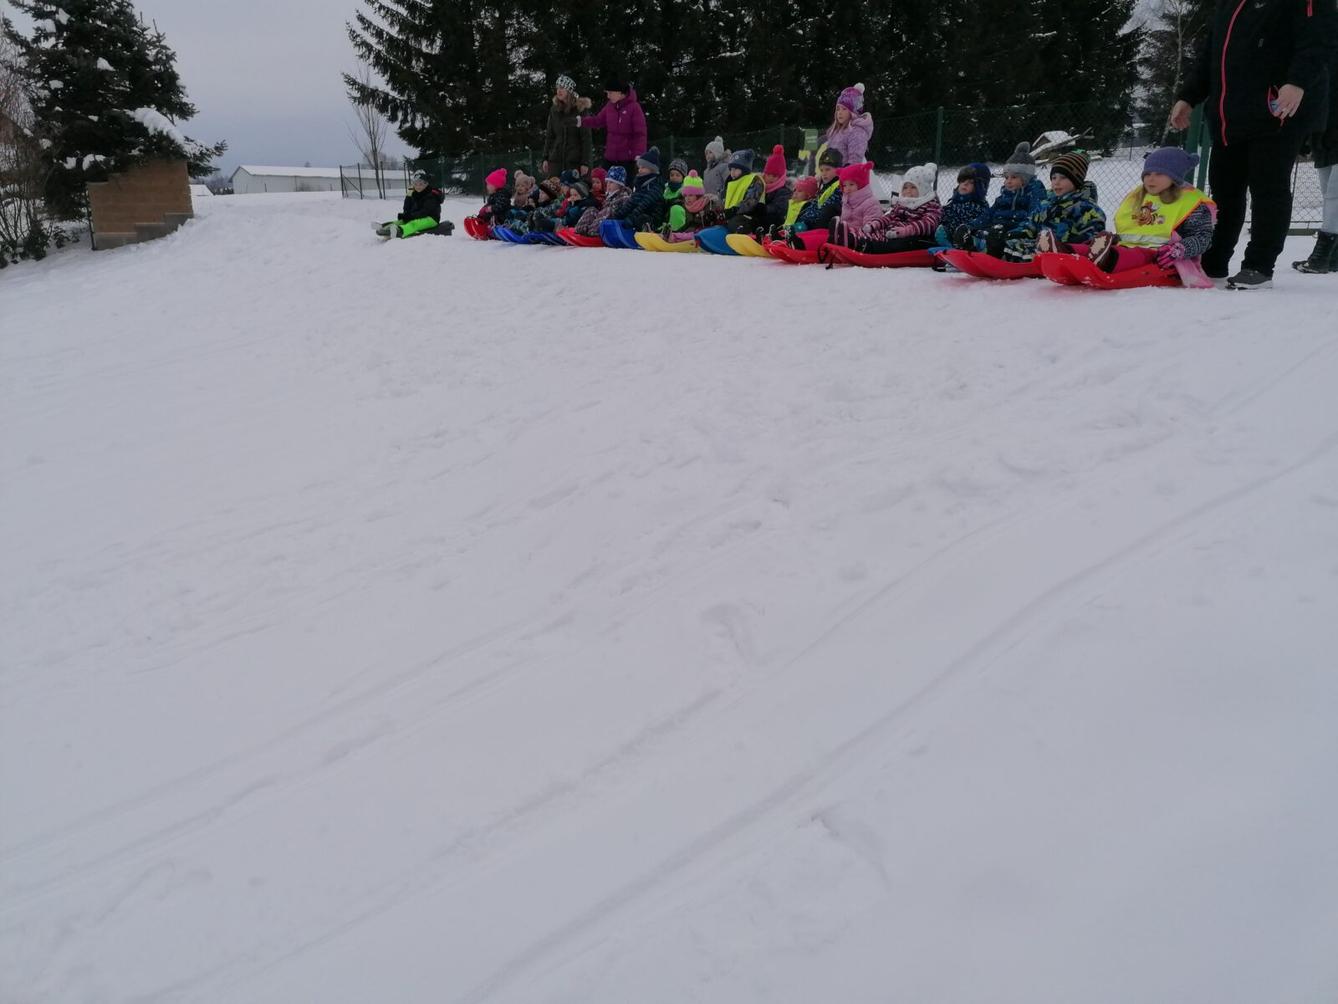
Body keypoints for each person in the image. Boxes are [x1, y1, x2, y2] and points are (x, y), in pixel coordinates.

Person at [1170, 0, 1337, 288]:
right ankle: (1214, 263)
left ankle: (1258, 266)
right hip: (1229, 115)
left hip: (1277, 110)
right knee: (1224, 190)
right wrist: (1188, 96)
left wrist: (1297, 81)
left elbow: (1318, 39)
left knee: (1268, 187)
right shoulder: (1229, 5)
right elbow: (1211, 54)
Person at [1078, 147, 1217, 287]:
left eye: (1159, 174)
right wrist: (1117, 238)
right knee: (1099, 247)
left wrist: (1180, 249)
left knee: (1131, 255)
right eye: (1147, 173)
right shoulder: (1140, 196)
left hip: (1164, 260)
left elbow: (1203, 237)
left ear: (1174, 176)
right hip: (1128, 249)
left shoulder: (1190, 202)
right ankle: (1071, 251)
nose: (1151, 178)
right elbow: (1136, 231)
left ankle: (1104, 259)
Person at [1001, 152, 1105, 261]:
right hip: (1040, 246)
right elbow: (1030, 224)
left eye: (1063, 178)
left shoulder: (1085, 206)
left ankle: (1035, 260)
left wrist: (1065, 243)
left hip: (1069, 251)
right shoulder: (1046, 204)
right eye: (1054, 178)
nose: (1057, 182)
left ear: (1076, 180)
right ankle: (1016, 261)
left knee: (1076, 250)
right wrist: (1015, 234)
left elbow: (1093, 235)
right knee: (1014, 244)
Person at [954, 142, 1048, 254]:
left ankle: (989, 250)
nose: (1008, 181)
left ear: (1025, 178)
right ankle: (973, 246)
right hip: (996, 233)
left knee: (1007, 241)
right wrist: (970, 226)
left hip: (1017, 234)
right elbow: (988, 215)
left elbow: (1034, 218)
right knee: (979, 234)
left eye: (1014, 177)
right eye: (1006, 177)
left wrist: (1014, 232)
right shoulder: (1003, 196)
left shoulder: (1034, 193)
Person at [834, 162, 940, 252]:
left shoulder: (931, 205)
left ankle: (859, 244)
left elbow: (928, 224)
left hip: (913, 238)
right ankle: (848, 236)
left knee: (886, 243)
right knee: (874, 233)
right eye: (905, 187)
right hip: (892, 232)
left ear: (923, 189)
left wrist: (905, 230)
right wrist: (874, 225)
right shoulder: (902, 203)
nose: (908, 191)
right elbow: (889, 217)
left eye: (913, 187)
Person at [1294, 55, 1338, 273]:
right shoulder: (1322, 50)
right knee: (1328, 193)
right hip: (1324, 133)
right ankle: (1333, 256)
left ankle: (1322, 255)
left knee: (1334, 194)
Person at [576, 79, 648, 181]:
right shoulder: (610, 106)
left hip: (627, 160)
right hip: (610, 157)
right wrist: (580, 121)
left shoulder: (634, 108)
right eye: (607, 93)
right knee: (605, 184)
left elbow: (640, 134)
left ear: (620, 93)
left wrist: (639, 154)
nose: (608, 96)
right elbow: (598, 120)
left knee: (625, 188)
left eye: (610, 93)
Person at [542, 74, 593, 176]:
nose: (559, 91)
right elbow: (550, 136)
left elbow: (586, 138)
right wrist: (546, 158)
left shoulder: (581, 110)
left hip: (574, 162)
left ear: (569, 90)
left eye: (562, 88)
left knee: (571, 190)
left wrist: (585, 162)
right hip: (556, 161)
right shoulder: (554, 110)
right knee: (550, 190)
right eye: (557, 88)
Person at [936, 163, 991, 247]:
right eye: (962, 180)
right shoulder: (952, 203)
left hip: (968, 241)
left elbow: (980, 224)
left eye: (971, 182)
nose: (965, 184)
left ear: (980, 186)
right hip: (950, 238)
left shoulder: (980, 206)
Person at [376, 169, 443, 238]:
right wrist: (408, 196)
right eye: (416, 184)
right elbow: (407, 208)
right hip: (418, 216)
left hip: (431, 219)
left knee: (414, 223)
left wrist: (411, 216)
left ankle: (399, 231)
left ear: (426, 184)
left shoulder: (431, 195)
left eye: (421, 184)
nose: (418, 186)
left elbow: (425, 211)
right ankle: (385, 227)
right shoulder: (415, 194)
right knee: (402, 221)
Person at [822, 83, 874, 167]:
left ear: (852, 112)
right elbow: (828, 157)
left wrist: (842, 175)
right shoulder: (835, 131)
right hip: (833, 176)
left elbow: (855, 161)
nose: (840, 112)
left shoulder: (857, 132)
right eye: (838, 109)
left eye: (844, 109)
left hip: (847, 177)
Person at [828, 160, 883, 236]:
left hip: (860, 238)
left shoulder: (871, 203)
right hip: (846, 234)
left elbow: (870, 228)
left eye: (851, 184)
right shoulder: (846, 202)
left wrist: (849, 232)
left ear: (861, 184)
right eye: (844, 185)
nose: (847, 188)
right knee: (819, 234)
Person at [574, 166, 632, 236]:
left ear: (619, 185)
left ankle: (592, 232)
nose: (608, 185)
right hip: (605, 224)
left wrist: (614, 211)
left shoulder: (624, 197)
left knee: (608, 210)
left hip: (615, 225)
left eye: (611, 183)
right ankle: (580, 229)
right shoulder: (609, 196)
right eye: (607, 182)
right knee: (592, 210)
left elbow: (625, 213)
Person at [721, 149, 767, 233]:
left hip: (750, 217)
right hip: (732, 216)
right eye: (731, 169)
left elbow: (751, 201)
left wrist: (734, 210)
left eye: (736, 169)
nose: (732, 173)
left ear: (744, 169)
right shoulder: (731, 182)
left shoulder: (754, 180)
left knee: (734, 224)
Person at [760, 145, 793, 232]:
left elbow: (779, 208)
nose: (770, 178)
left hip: (775, 227)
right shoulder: (760, 187)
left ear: (781, 177)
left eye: (774, 176)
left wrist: (763, 209)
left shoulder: (784, 191)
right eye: (768, 174)